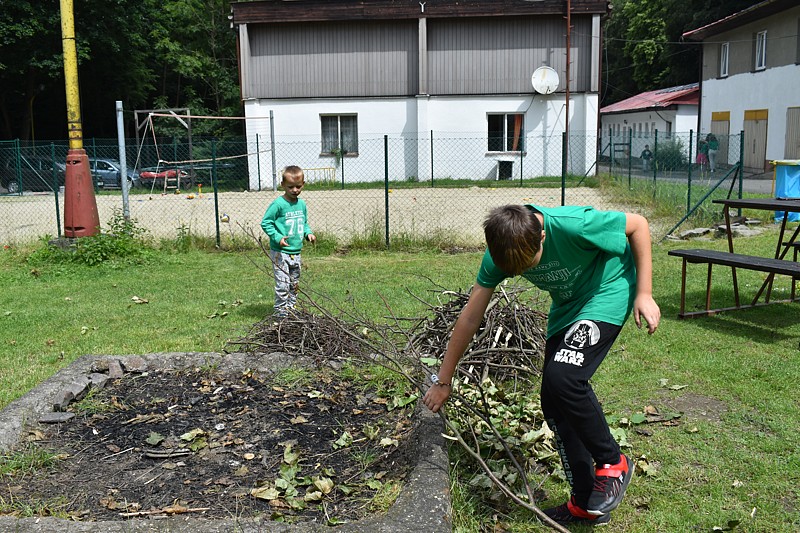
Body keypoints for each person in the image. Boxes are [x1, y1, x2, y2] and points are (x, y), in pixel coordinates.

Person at [423, 204, 660, 526]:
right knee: (553, 401)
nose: (521, 272)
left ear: (543, 237)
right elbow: (469, 317)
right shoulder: (499, 253)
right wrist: (443, 380)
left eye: (528, 265)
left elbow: (638, 225)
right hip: (567, 310)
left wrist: (644, 292)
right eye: (513, 271)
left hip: (607, 292)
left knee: (563, 378)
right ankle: (586, 502)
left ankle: (612, 462)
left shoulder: (574, 225)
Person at [260, 165, 316, 318]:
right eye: (291, 187)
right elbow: (266, 222)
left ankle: (291, 310)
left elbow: (304, 223)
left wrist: (308, 234)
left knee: (294, 284)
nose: (295, 190)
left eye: (298, 186)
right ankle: (281, 314)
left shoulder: (301, 204)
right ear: (283, 185)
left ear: (303, 184)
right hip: (281, 253)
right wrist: (277, 238)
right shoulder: (278, 204)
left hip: (296, 252)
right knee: (283, 284)